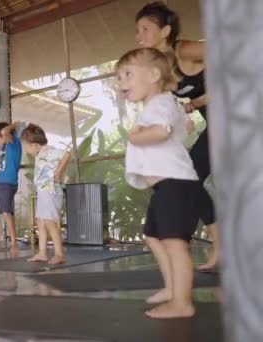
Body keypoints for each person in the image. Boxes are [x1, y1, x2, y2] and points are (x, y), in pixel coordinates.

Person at [136, 1, 219, 271]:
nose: (139, 36)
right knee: (190, 179)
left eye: (145, 29)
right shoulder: (162, 70)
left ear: (165, 31)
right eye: (138, 31)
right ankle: (221, 246)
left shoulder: (186, 50)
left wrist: (197, 102)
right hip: (217, 129)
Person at [118, 47, 200, 318]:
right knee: (154, 237)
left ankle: (182, 303)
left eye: (128, 74)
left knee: (175, 244)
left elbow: (161, 131)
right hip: (167, 186)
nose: (122, 83)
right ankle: (171, 289)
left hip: (175, 185)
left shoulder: (160, 103)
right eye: (120, 78)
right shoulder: (164, 103)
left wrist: (135, 136)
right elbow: (185, 126)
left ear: (154, 74)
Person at [20, 124, 72, 264]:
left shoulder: (49, 151)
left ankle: (59, 254)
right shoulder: (39, 154)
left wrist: (59, 173)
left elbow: (67, 154)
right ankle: (42, 253)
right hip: (43, 191)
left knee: (50, 222)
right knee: (41, 221)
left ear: (35, 145)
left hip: (51, 190)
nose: (26, 150)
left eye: (26, 147)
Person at [0, 121, 27, 255]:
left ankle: (14, 243)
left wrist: (7, 130)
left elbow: (9, 130)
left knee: (6, 213)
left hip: (8, 184)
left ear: (4, 135)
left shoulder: (13, 142)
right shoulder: (3, 146)